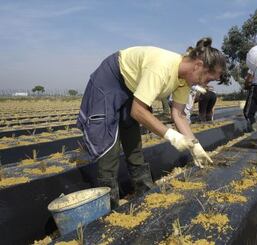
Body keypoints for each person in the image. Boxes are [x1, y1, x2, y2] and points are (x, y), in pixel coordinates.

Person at [77, 37, 225, 208]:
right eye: (207, 79)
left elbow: (178, 115)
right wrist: (171, 135)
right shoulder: (162, 67)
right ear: (198, 65)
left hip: (131, 87)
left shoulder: (184, 80)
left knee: (133, 140)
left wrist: (195, 146)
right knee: (109, 146)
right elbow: (137, 111)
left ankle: (144, 192)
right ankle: (108, 208)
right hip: (111, 80)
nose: (204, 84)